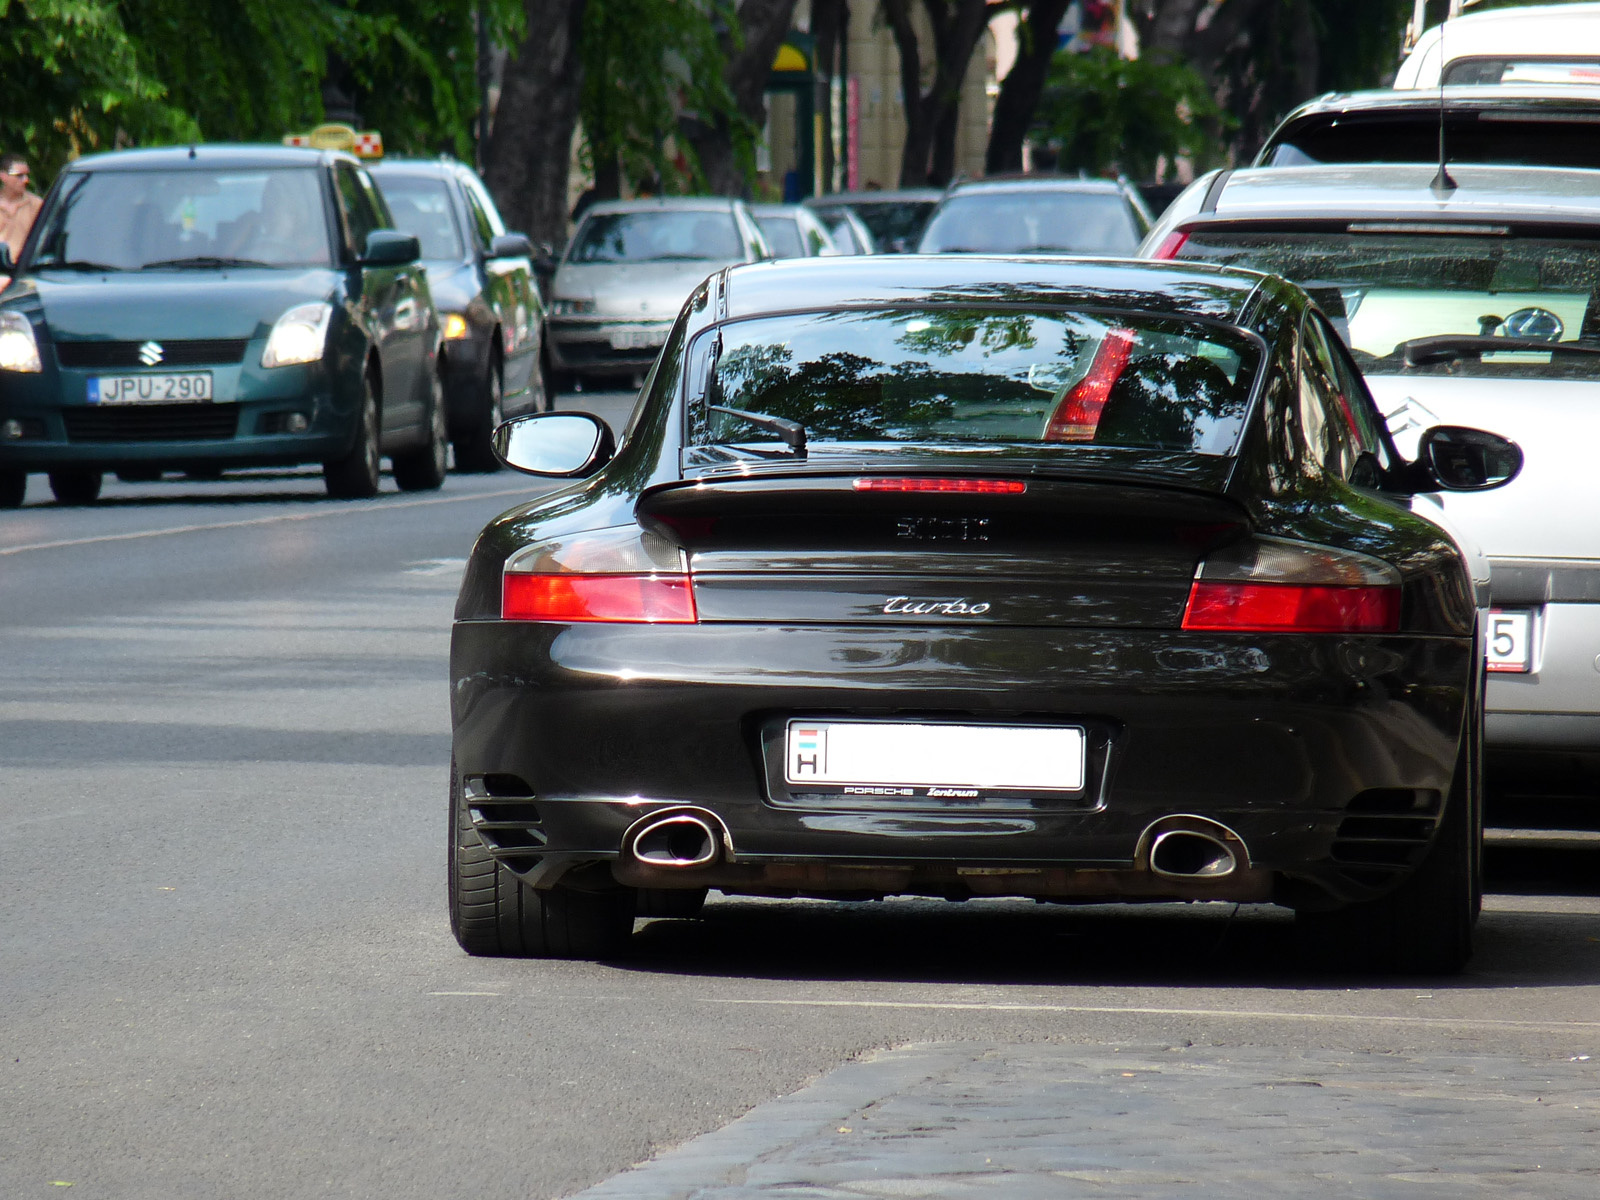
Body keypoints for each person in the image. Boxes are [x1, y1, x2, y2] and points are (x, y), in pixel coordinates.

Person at [0, 152, 42, 259]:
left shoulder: (36, 205)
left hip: (24, 269)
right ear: (3, 176)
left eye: (27, 175)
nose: (26, 180)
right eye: (19, 176)